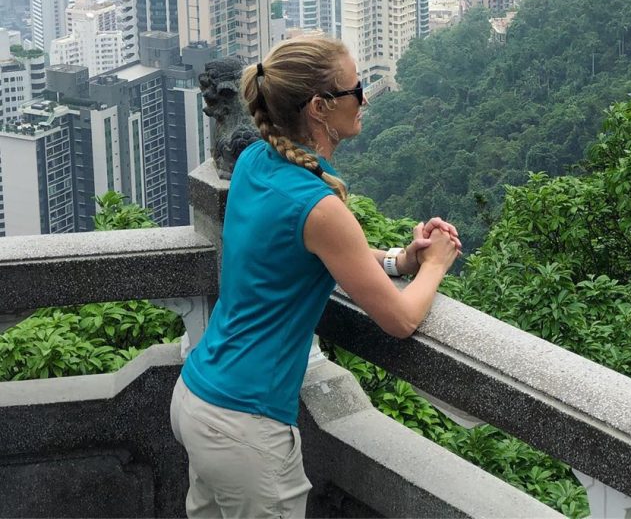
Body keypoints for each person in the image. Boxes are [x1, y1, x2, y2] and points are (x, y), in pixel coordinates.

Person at [170, 35, 461, 518]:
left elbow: (313, 251)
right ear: (321, 108)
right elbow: (401, 319)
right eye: (356, 89)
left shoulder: (256, 163)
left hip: (198, 398)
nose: (365, 98)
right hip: (246, 428)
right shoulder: (320, 206)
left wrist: (400, 261)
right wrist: (435, 266)